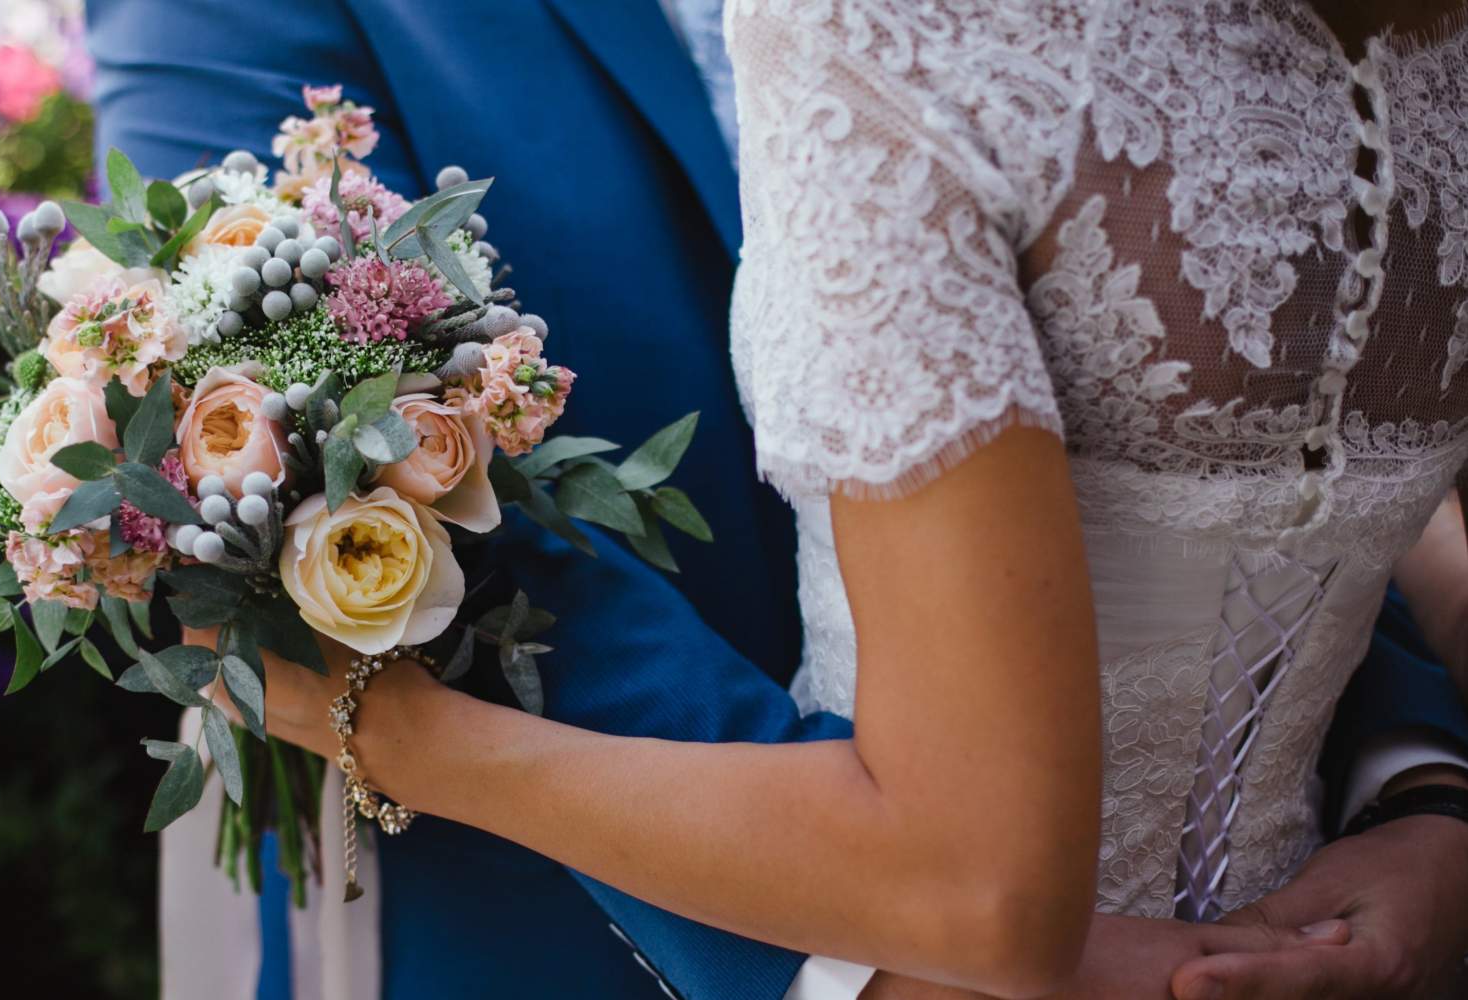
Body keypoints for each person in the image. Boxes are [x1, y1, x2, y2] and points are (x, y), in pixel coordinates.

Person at [88, 0, 1468, 996]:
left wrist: (1417, 784)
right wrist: (896, 926)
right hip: (581, 927)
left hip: (1255, 909)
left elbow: (1252, 416)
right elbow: (311, 463)